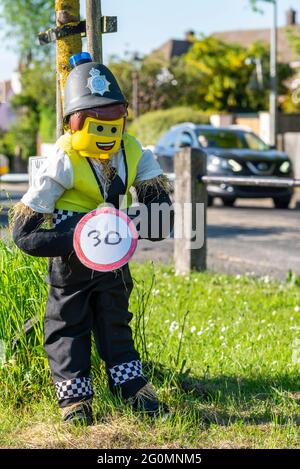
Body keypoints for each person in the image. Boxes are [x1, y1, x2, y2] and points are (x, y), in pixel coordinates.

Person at [12, 52, 173, 425]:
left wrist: (128, 223)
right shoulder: (63, 159)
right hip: (71, 259)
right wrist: (76, 236)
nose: (107, 137)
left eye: (113, 126)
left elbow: (161, 216)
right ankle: (74, 399)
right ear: (73, 126)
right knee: (67, 322)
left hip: (115, 256)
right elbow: (24, 232)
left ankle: (131, 386)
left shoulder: (134, 152)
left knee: (116, 316)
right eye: (96, 127)